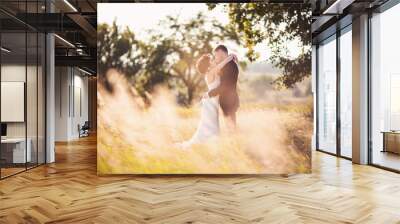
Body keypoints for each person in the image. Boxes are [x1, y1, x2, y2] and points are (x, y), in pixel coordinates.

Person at [179, 51, 237, 148]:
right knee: (212, 123)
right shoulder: (211, 72)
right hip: (211, 102)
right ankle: (211, 142)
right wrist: (231, 57)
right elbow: (222, 64)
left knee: (209, 123)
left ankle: (211, 142)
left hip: (211, 101)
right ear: (209, 64)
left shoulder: (211, 72)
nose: (213, 60)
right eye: (211, 60)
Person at [205, 45, 239, 130]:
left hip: (228, 100)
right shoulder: (229, 64)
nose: (215, 58)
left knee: (231, 124)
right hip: (229, 99)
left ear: (221, 53)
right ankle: (234, 139)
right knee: (230, 124)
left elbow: (224, 86)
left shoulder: (229, 66)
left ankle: (234, 140)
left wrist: (210, 93)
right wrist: (230, 56)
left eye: (216, 55)